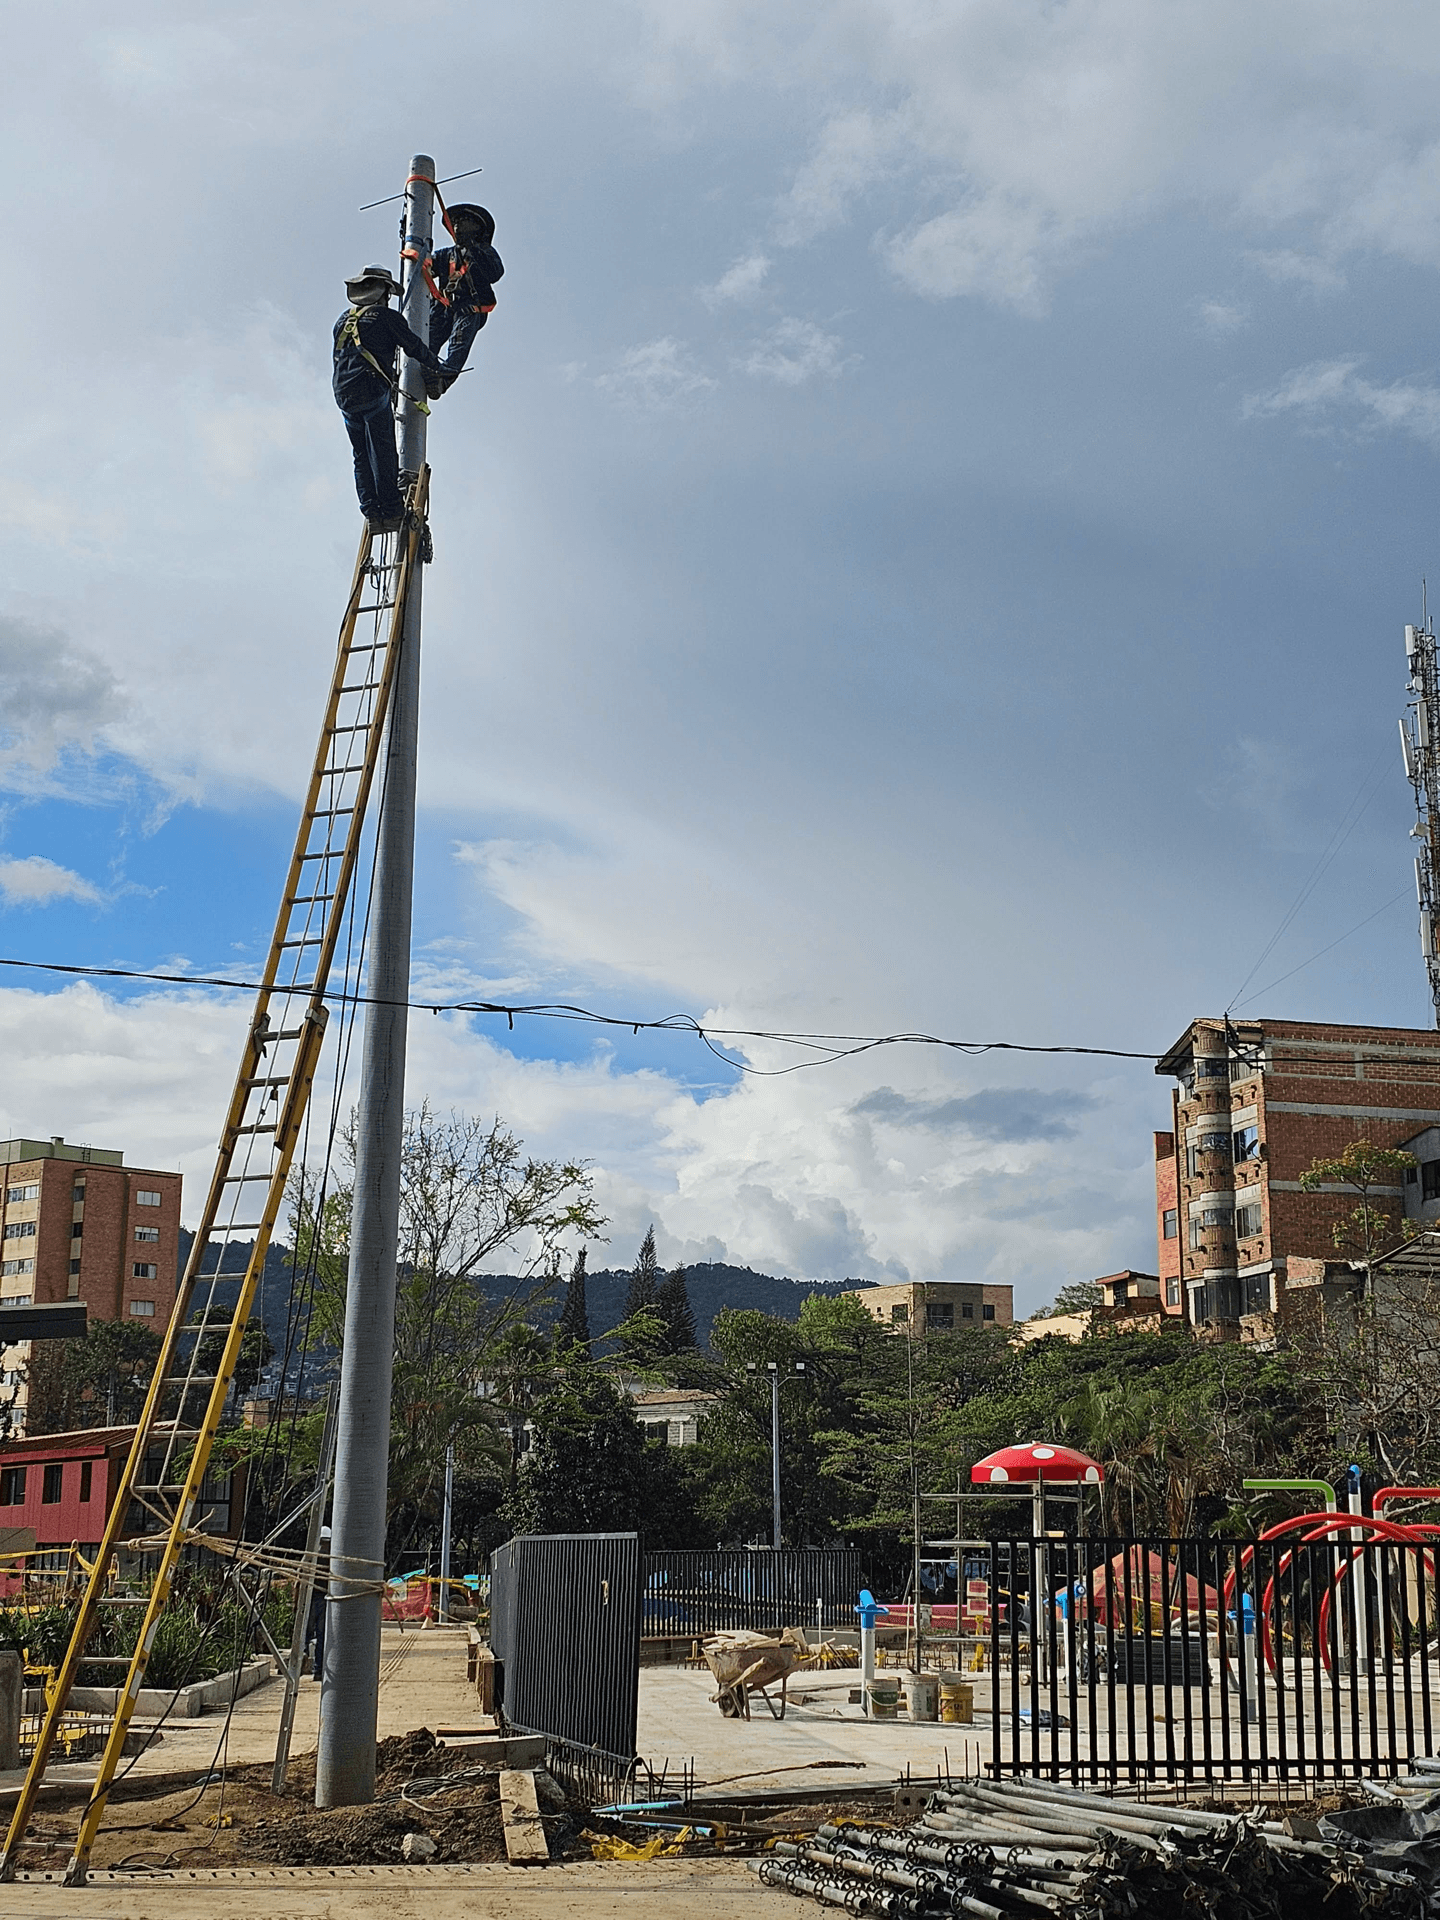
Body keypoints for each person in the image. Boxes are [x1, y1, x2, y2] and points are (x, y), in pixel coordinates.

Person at [333, 266, 444, 532]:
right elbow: (414, 346)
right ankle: (392, 512)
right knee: (382, 452)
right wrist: (437, 365)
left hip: (344, 395)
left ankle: (372, 515)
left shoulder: (342, 320)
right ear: (383, 292)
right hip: (371, 392)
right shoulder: (386, 317)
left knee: (361, 453)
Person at [424, 205, 504, 398]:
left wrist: (474, 250)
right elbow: (428, 267)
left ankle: (444, 378)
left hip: (469, 308)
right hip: (443, 307)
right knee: (428, 340)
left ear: (476, 227)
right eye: (456, 222)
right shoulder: (447, 254)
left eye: (464, 221)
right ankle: (418, 370)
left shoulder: (484, 251)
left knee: (459, 342)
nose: (458, 225)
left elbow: (495, 273)